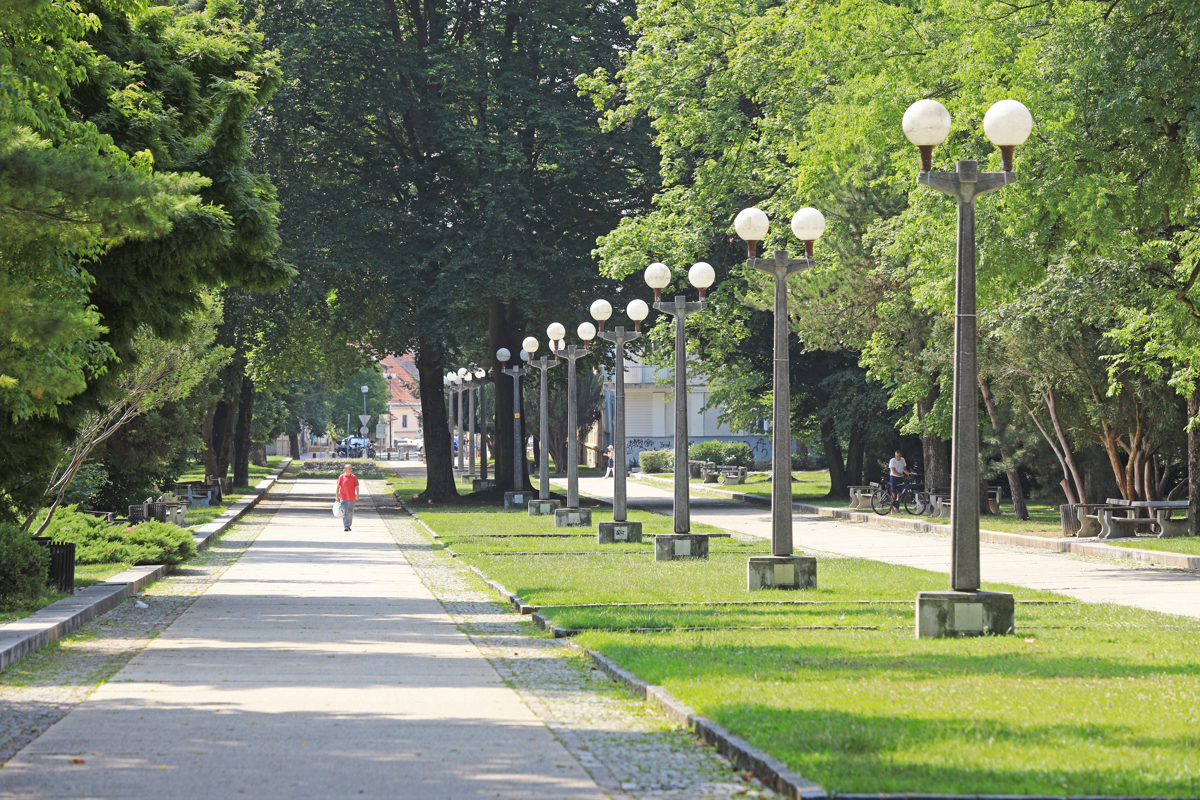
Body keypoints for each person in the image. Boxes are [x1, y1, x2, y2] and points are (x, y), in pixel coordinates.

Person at [336, 463, 360, 531]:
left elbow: (357, 486)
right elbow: (338, 487)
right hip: (343, 497)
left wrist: (357, 495)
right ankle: (346, 526)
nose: (351, 469)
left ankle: (349, 525)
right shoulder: (341, 477)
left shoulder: (354, 477)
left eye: (351, 468)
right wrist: (337, 496)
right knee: (345, 511)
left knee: (350, 511)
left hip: (352, 497)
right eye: (349, 468)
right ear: (345, 469)